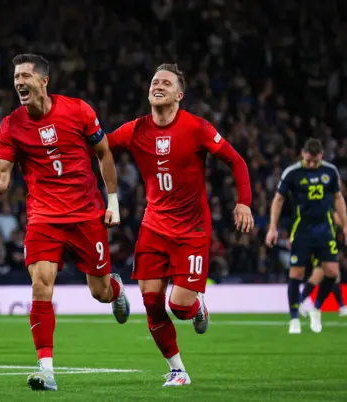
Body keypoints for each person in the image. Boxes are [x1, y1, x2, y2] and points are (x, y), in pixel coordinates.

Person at [0, 53, 130, 392]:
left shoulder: (78, 110)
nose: (19, 82)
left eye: (25, 75)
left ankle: (116, 289)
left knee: (99, 292)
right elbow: (2, 182)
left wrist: (112, 201)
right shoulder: (11, 125)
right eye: (15, 77)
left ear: (44, 81)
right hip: (44, 217)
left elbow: (105, 152)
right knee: (41, 283)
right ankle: (46, 369)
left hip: (86, 215)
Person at [103, 63, 253, 387]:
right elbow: (99, 146)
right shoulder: (135, 129)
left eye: (166, 83)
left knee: (179, 305)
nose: (158, 86)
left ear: (179, 94)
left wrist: (244, 201)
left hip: (192, 230)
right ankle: (177, 370)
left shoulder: (196, 128)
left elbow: (236, 161)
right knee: (151, 301)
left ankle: (197, 305)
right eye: (154, 82)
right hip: (154, 226)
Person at [266, 138, 347, 334]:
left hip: (325, 230)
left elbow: (338, 198)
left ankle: (316, 307)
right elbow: (278, 199)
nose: (312, 164)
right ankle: (294, 318)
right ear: (303, 153)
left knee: (331, 272)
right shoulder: (293, 173)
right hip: (302, 231)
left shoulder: (330, 171)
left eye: (316, 161)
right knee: (296, 273)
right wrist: (272, 227)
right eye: (309, 160)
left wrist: (346, 225)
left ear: (321, 156)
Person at [298, 212, 347, 317]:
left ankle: (341, 307)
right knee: (320, 276)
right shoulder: (328, 205)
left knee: (330, 275)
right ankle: (307, 304)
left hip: (322, 244)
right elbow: (338, 219)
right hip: (323, 244)